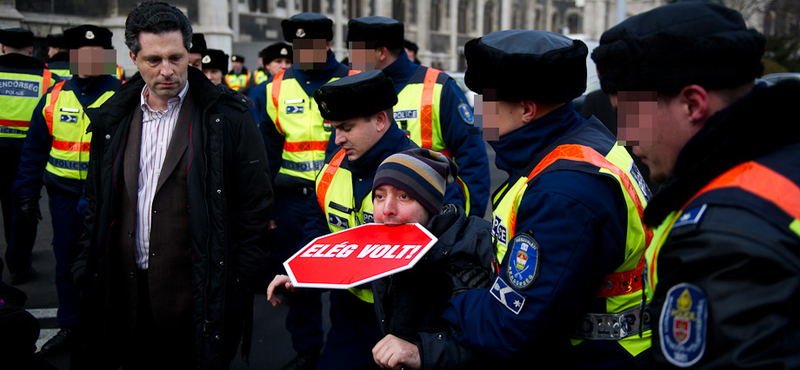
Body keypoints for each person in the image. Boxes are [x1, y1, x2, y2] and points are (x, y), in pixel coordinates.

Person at [377, 29, 654, 369]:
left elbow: (512, 329)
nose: (478, 115)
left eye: (487, 102)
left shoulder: (563, 191)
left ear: (526, 109)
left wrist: (453, 293)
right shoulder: (586, 142)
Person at [592, 2, 800, 368]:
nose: (624, 136)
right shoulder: (781, 157)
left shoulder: (721, 234)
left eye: (630, 115)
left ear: (692, 104)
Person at [70, 2, 273, 369]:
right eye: (153, 60)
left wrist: (238, 286)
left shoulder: (228, 117)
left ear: (189, 53)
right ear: (133, 56)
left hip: (197, 300)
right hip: (125, 297)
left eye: (176, 58)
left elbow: (254, 209)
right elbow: (97, 202)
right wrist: (87, 267)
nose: (167, 71)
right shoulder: (114, 117)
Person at [14, 24, 122, 357]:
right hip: (63, 197)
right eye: (83, 55)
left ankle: (110, 329)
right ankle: (71, 324)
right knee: (65, 263)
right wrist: (26, 193)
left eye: (98, 54)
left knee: (110, 264)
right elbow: (33, 150)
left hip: (108, 200)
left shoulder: (124, 97)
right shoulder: (54, 95)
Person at [301, 69, 418, 370]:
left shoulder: (422, 172)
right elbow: (318, 220)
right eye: (333, 128)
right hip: (349, 313)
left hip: (407, 321)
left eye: (346, 128)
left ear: (380, 120)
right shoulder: (335, 164)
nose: (337, 139)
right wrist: (300, 271)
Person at [261, 12, 352, 370]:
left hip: (345, 201)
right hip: (292, 204)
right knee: (298, 282)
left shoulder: (355, 81)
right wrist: (266, 209)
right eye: (298, 45)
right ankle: (307, 350)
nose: (305, 51)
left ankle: (353, 347)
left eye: (312, 44)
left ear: (328, 44)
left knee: (354, 282)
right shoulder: (274, 89)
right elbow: (266, 155)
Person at [345, 16, 489, 217]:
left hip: (431, 215)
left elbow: (473, 159)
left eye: (356, 52)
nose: (350, 58)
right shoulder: (352, 85)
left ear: (381, 52)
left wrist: (467, 224)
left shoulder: (439, 87)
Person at [0, 27, 59, 286]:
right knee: (23, 205)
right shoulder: (49, 78)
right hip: (29, 154)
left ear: (2, 48)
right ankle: (19, 266)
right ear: (32, 48)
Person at [248, 42, 293, 129]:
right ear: (267, 65)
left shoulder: (298, 88)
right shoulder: (257, 92)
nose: (284, 66)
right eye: (278, 61)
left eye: (288, 62)